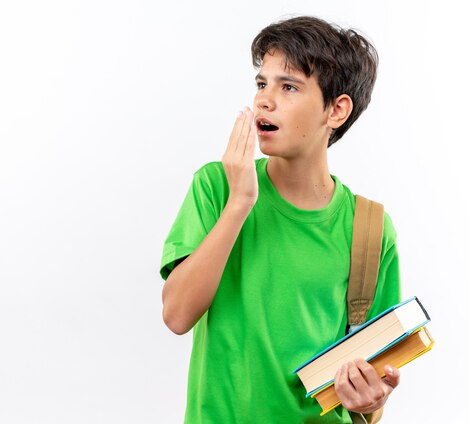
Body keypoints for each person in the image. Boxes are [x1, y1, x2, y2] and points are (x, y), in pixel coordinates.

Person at [161, 15, 402, 423]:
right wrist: (238, 204)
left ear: (337, 110)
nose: (263, 101)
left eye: (288, 86)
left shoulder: (369, 229)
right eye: (261, 84)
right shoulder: (216, 188)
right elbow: (177, 315)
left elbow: (371, 390)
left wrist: (372, 402)